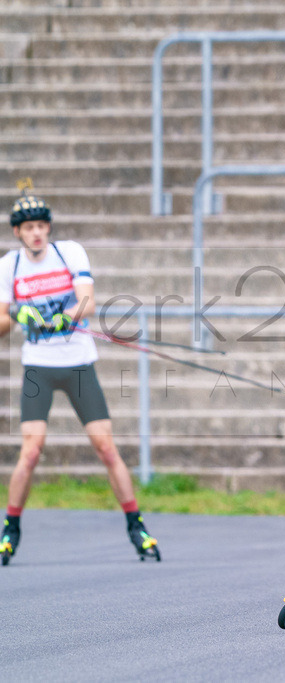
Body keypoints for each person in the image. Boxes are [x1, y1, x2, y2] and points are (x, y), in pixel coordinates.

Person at [0, 190, 159, 564]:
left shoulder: (68, 252)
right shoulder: (9, 266)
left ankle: (136, 525)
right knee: (31, 451)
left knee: (106, 447)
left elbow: (86, 300)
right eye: (28, 228)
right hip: (38, 366)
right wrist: (19, 316)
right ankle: (10, 528)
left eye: (41, 226)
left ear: (48, 227)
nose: (36, 233)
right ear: (18, 233)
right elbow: (1, 322)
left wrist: (64, 318)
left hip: (78, 364)